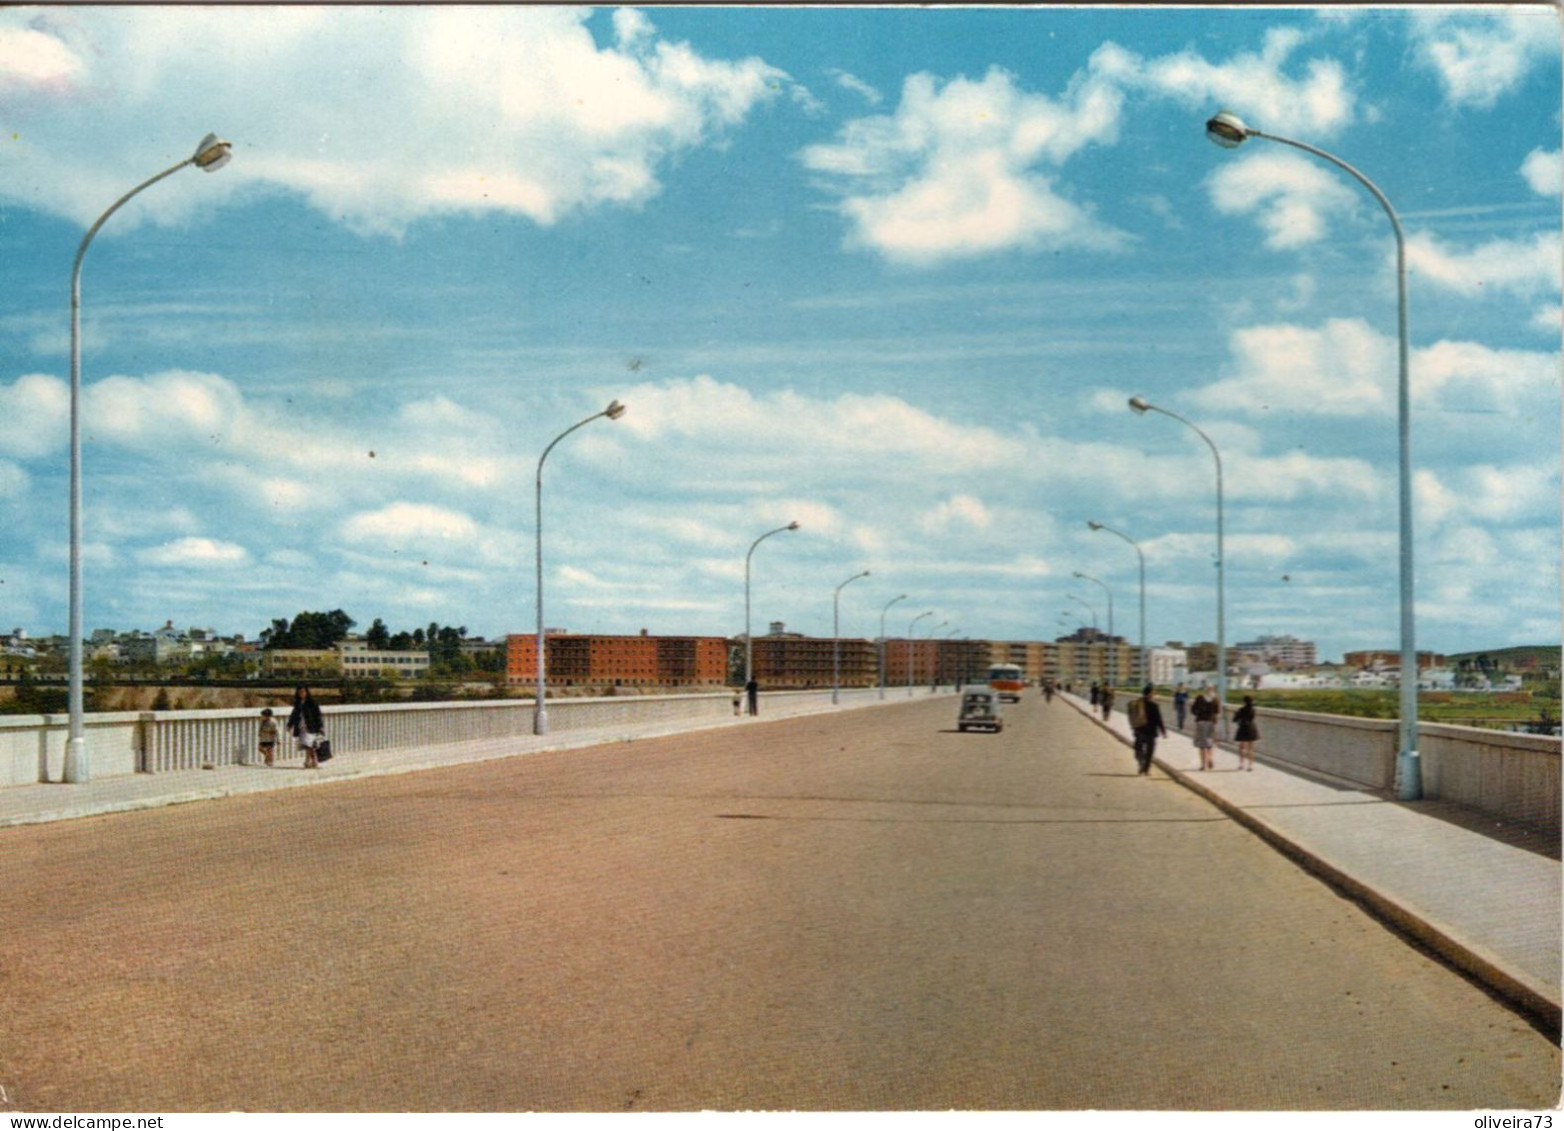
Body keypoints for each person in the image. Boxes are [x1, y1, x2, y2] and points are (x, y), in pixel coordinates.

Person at [1126, 684, 1167, 775]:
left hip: (1139, 729)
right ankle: (1146, 769)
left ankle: (1141, 763)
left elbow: (1131, 715)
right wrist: (1163, 731)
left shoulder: (1136, 703)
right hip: (1151, 732)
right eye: (1153, 693)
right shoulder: (1154, 705)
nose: (1154, 694)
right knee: (1150, 750)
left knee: (1138, 748)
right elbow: (1158, 719)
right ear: (1150, 694)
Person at [286, 685, 325, 769]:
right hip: (301, 726)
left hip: (311, 726)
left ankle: (312, 761)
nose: (302, 694)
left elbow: (318, 715)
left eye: (303, 692)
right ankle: (308, 761)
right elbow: (294, 715)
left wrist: (320, 726)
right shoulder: (298, 703)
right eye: (300, 692)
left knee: (309, 744)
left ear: (307, 692)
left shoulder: (312, 702)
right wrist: (289, 725)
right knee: (307, 745)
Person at [1190, 685, 1220, 771]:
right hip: (1211, 722)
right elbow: (1217, 711)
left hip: (1201, 722)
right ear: (1213, 690)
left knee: (1202, 745)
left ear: (1206, 690)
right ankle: (1209, 758)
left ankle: (1204, 765)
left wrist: (1198, 713)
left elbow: (1193, 709)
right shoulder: (1216, 699)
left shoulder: (1200, 698)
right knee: (1210, 743)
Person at [1234, 695, 1260, 771]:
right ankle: (1250, 765)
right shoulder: (1253, 710)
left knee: (1242, 747)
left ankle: (1241, 764)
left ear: (1244, 701)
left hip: (1242, 728)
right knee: (1251, 748)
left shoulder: (1241, 710)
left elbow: (1235, 719)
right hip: (1252, 728)